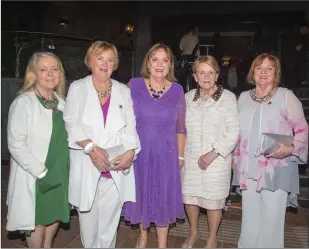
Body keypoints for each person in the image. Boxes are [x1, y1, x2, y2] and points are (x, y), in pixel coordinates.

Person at [63, 41, 140, 248]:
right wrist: (90, 149)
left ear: (115, 64)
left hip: (115, 168)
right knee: (88, 229)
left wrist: (131, 152)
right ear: (90, 61)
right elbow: (71, 122)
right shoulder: (77, 88)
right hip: (87, 165)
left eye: (110, 60)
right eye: (100, 58)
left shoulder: (123, 90)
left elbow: (131, 126)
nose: (105, 64)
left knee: (109, 228)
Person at [233, 53, 308, 248]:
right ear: (252, 72)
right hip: (248, 170)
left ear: (276, 73)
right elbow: (237, 135)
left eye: (269, 68)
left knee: (271, 224)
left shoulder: (285, 96)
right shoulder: (242, 98)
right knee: (249, 221)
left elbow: (302, 129)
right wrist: (234, 161)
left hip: (276, 170)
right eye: (259, 68)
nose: (263, 72)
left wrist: (290, 149)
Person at [123, 43, 186, 248]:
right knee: (142, 193)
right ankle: (143, 235)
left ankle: (162, 244)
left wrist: (180, 157)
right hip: (140, 153)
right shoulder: (134, 85)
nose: (160, 64)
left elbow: (181, 128)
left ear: (170, 65)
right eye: (155, 59)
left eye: (165, 60)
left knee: (163, 198)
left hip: (167, 155)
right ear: (148, 63)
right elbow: (124, 120)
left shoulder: (177, 90)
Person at [6, 52, 70, 247]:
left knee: (54, 213)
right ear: (33, 73)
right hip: (37, 173)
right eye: (43, 69)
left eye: (54, 69)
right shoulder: (23, 103)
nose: (50, 74)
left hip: (60, 171)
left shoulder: (63, 102)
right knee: (37, 218)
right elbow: (16, 143)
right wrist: (41, 172)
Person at [182, 55, 239, 248]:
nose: (206, 76)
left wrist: (213, 153)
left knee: (214, 200)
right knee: (190, 197)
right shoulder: (187, 98)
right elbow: (180, 130)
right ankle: (194, 232)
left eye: (211, 72)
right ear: (195, 77)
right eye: (201, 72)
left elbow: (233, 132)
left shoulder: (228, 98)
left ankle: (212, 237)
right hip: (191, 158)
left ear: (217, 75)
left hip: (217, 160)